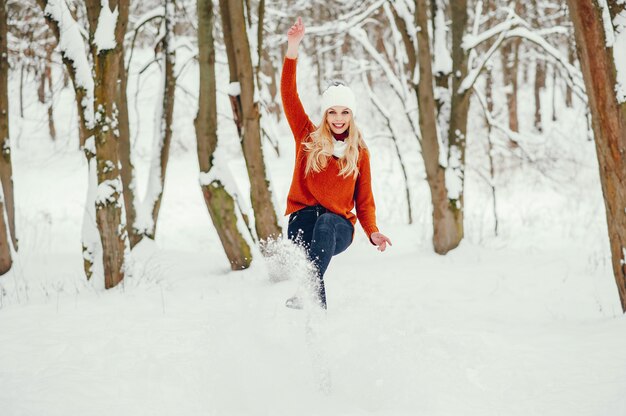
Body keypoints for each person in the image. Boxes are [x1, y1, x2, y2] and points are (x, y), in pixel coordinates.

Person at [281, 16, 392, 310]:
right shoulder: (307, 138)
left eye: (344, 112)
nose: (339, 118)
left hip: (339, 227)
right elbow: (289, 96)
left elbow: (364, 202)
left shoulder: (360, 153)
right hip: (302, 221)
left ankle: (307, 292)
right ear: (325, 114)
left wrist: (373, 231)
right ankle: (315, 322)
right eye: (332, 112)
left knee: (327, 222)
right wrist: (293, 48)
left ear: (351, 115)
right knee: (312, 240)